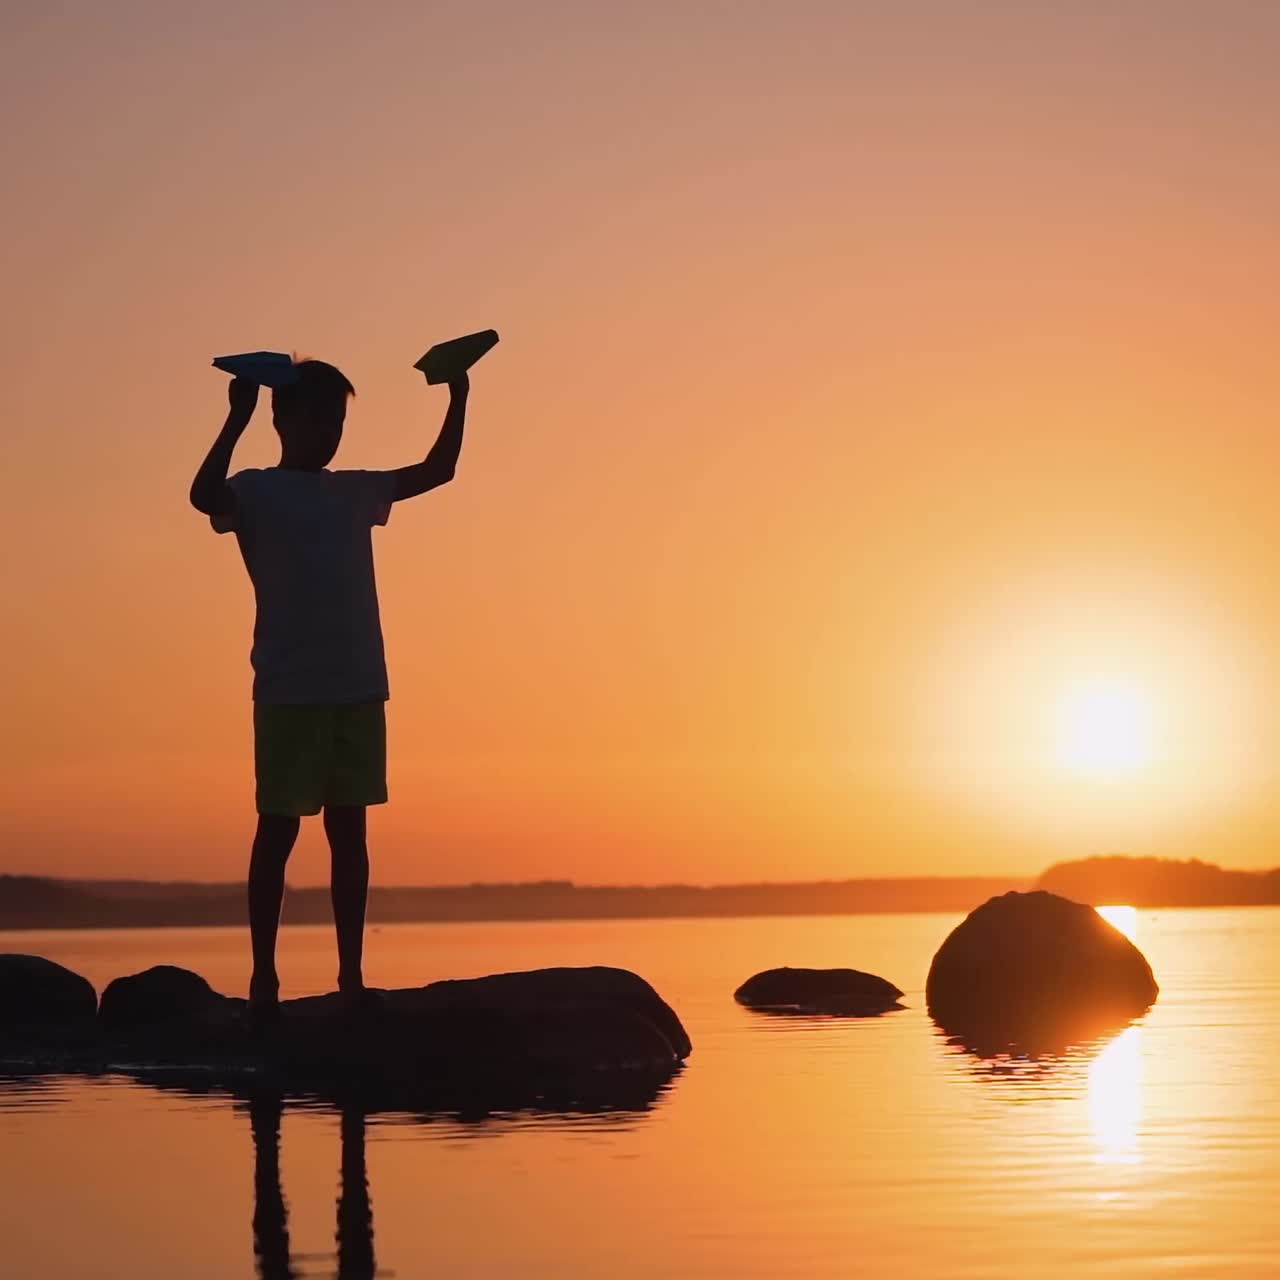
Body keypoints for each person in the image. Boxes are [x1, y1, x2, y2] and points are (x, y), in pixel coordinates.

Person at [190, 358, 470, 1020]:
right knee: (277, 834)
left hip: (358, 687)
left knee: (351, 836)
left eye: (338, 422)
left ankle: (350, 977)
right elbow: (204, 496)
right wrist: (235, 415)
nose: (329, 433)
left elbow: (437, 471)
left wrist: (458, 394)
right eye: (318, 419)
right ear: (283, 420)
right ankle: (264, 980)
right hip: (288, 690)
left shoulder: (355, 491)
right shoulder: (255, 490)